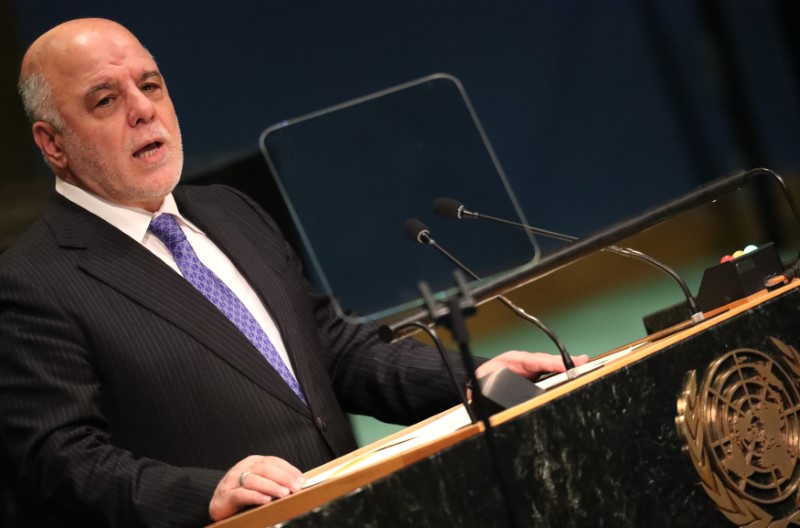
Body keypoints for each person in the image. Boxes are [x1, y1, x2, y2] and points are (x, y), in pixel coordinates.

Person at [0, 18, 588, 528]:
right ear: (52, 144)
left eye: (150, 84)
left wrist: (473, 376)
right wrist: (208, 495)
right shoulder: (31, 282)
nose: (143, 109)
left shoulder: (230, 210)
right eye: (106, 100)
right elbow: (61, 462)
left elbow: (333, 353)